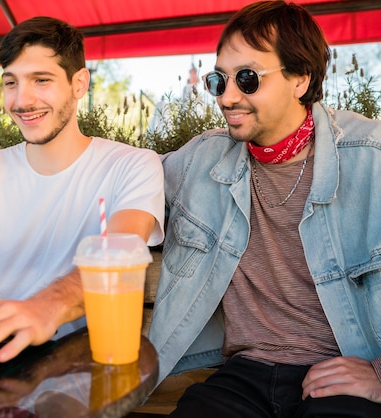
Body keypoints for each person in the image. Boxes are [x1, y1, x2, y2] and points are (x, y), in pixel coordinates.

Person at [149, 1, 381, 416]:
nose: (229, 97)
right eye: (219, 80)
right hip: (243, 376)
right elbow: (127, 181)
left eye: (248, 79)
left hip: (340, 373)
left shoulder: (371, 158)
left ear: (300, 78)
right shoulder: (201, 161)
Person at [0, 17, 164, 367]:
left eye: (40, 80)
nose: (22, 100)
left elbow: (119, 258)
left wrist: (43, 309)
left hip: (91, 363)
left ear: (79, 83)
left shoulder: (133, 166)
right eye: (10, 83)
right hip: (1, 359)